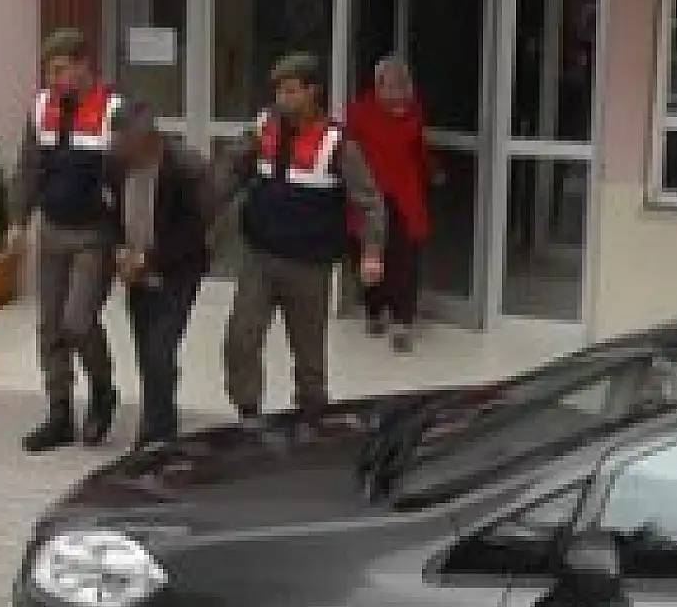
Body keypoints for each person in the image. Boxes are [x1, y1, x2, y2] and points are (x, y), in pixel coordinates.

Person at [221, 52, 386, 424]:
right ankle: (248, 415)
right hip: (260, 257)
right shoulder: (262, 128)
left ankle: (313, 421)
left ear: (313, 92)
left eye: (291, 91)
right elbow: (230, 173)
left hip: (309, 266)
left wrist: (372, 251)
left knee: (309, 357)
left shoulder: (337, 142)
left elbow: (370, 202)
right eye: (279, 91)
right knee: (240, 340)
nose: (283, 99)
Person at [8, 27, 135, 453]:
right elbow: (28, 167)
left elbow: (131, 181)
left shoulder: (115, 110)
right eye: (49, 71)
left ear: (84, 65)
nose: (53, 79)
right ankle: (59, 413)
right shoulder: (41, 107)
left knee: (78, 321)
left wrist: (129, 241)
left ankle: (102, 391)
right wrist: (18, 220)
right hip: (52, 229)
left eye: (61, 69)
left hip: (94, 234)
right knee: (50, 326)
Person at [113, 111, 218, 450]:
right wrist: (120, 253)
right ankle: (158, 413)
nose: (116, 147)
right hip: (134, 270)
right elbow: (109, 213)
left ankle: (158, 434)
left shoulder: (187, 169)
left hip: (177, 272)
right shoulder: (115, 165)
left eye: (124, 140)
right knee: (147, 350)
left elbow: (194, 231)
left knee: (160, 347)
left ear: (148, 139)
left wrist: (150, 259)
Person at [345, 56, 436, 351]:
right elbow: (348, 154)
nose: (398, 91)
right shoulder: (360, 113)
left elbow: (420, 151)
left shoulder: (414, 112)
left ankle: (402, 323)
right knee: (371, 256)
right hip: (371, 196)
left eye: (403, 85)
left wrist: (434, 172)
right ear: (378, 86)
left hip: (405, 197)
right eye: (391, 85)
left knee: (405, 261)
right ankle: (374, 311)